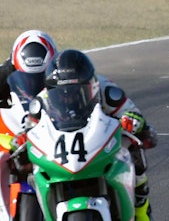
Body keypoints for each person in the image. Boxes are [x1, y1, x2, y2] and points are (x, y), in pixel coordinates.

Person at [17, 49, 157, 221]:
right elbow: (28, 130)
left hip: (100, 143)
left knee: (134, 152)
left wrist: (131, 120)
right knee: (31, 172)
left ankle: (142, 213)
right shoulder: (41, 101)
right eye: (61, 94)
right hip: (63, 153)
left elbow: (135, 115)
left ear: (92, 86)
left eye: (76, 91)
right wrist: (22, 140)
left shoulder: (107, 91)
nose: (68, 98)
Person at [0, 30, 57, 219]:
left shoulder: (63, 75)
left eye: (40, 78)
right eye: (28, 78)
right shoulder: (4, 74)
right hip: (11, 134)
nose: (33, 83)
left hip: (51, 133)